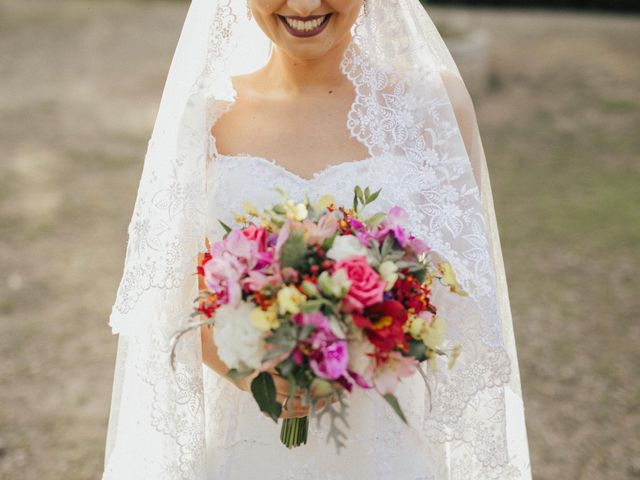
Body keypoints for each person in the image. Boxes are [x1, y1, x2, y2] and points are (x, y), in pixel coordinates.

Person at [103, 0, 533, 478]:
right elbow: (170, 299)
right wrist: (256, 374)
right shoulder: (207, 118)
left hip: (384, 448)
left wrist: (364, 337)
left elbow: (461, 298)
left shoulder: (431, 108)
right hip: (248, 445)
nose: (305, 5)